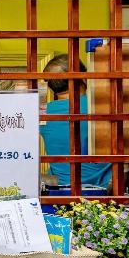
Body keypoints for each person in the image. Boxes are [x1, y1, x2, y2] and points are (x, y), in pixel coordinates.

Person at [40, 54, 112, 188]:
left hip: (60, 189)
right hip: (103, 189)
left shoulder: (42, 113)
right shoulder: (100, 107)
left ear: (50, 86)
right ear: (84, 78)